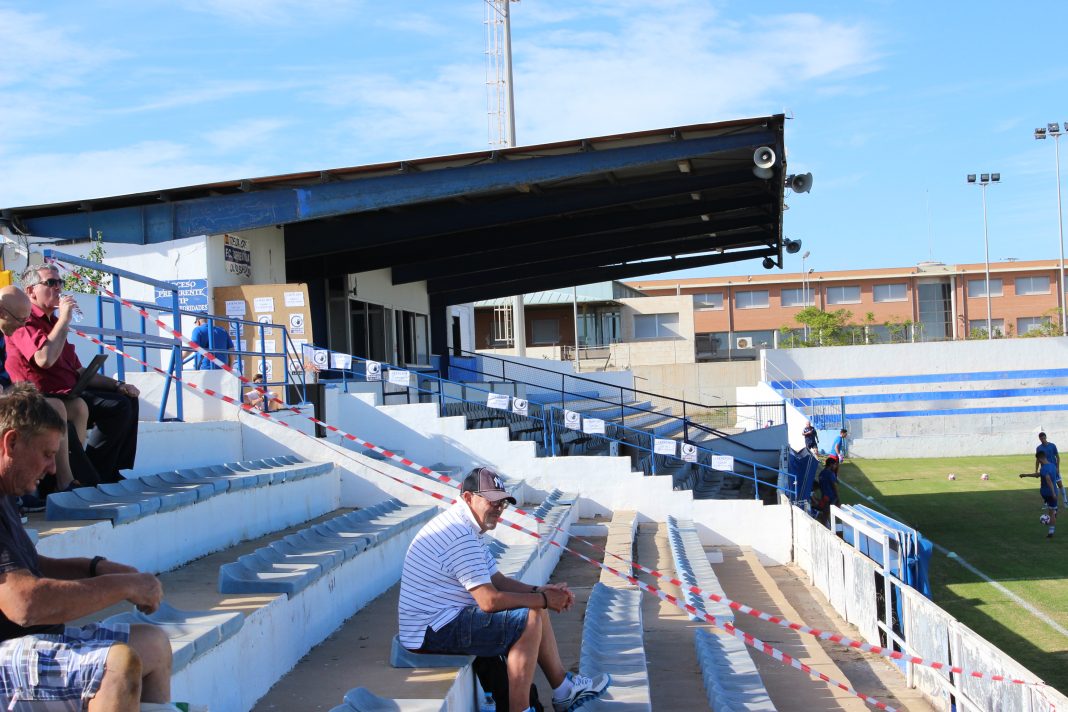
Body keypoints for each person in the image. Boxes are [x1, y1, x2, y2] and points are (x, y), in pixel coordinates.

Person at [0, 383, 174, 709]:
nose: (53, 468)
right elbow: (24, 604)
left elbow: (26, 564)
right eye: (47, 454)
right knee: (116, 665)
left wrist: (95, 567)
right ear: (11, 443)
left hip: (25, 643)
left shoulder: (6, 493)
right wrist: (121, 585)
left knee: (153, 644)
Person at [397, 467, 611, 712]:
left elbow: (496, 579)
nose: (499, 508)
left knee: (533, 605)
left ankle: (563, 689)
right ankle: (520, 709)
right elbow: (489, 601)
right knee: (529, 617)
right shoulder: (459, 534)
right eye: (493, 501)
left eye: (502, 503)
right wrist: (543, 598)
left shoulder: (466, 526)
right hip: (432, 629)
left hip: (441, 620)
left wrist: (539, 590)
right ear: (468, 498)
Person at [5, 264, 140, 484]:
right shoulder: (25, 320)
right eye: (50, 283)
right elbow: (44, 359)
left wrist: (118, 385)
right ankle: (89, 474)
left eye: (60, 283)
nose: (58, 288)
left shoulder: (54, 324)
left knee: (127, 400)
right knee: (115, 407)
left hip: (69, 392)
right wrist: (64, 320)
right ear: (31, 291)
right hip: (43, 396)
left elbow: (79, 371)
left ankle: (105, 471)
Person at [0, 286, 97, 496]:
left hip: (17, 393)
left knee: (79, 407)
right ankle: (62, 481)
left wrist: (117, 385)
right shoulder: (20, 329)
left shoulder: (13, 328)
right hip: (21, 393)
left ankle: (77, 473)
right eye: (20, 319)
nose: (23, 324)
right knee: (54, 407)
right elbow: (45, 360)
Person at [1022, 452, 1059, 539]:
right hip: (1052, 493)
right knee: (1052, 511)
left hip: (1045, 493)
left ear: (1040, 459)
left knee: (1051, 511)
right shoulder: (1053, 466)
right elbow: (1047, 478)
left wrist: (1025, 475)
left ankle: (1053, 510)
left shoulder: (1043, 469)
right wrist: (1025, 475)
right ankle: (1051, 532)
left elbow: (1045, 478)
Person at [1035, 432, 1064, 507]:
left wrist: (1057, 468)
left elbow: (1057, 457)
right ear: (1039, 439)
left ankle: (1065, 500)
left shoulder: (1052, 445)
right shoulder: (1039, 448)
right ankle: (1046, 503)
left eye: (1044, 438)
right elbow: (1038, 460)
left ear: (1046, 437)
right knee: (1046, 485)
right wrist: (1036, 470)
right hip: (1045, 469)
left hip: (1053, 469)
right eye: (1041, 439)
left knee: (1059, 484)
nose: (1043, 440)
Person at [814, 455, 840, 527]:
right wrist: (838, 498)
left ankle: (826, 526)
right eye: (835, 464)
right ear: (831, 464)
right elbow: (834, 486)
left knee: (825, 514)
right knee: (829, 514)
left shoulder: (821, 473)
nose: (835, 466)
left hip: (824, 497)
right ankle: (828, 528)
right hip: (831, 498)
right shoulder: (830, 474)